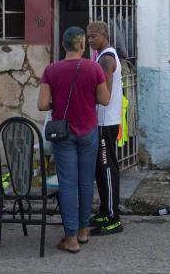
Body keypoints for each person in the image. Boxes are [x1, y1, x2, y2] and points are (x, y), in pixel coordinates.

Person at [38, 26, 110, 254]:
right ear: (81, 44)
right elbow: (105, 100)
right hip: (88, 130)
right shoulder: (94, 67)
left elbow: (42, 104)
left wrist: (57, 102)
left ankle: (70, 238)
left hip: (63, 132)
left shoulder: (51, 70)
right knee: (86, 181)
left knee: (67, 184)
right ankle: (83, 230)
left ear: (64, 45)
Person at [86, 21, 123, 236]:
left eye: (94, 36)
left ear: (105, 35)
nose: (90, 40)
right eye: (88, 36)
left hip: (105, 121)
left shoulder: (106, 58)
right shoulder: (101, 56)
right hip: (103, 121)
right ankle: (104, 210)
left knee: (107, 167)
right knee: (102, 168)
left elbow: (104, 96)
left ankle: (113, 217)